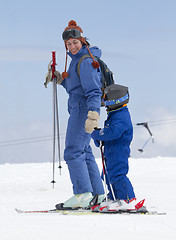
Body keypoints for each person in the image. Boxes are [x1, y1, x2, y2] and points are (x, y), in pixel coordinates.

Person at [45, 20, 104, 209]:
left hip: (83, 110)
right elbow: (76, 86)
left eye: (75, 42)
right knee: (84, 152)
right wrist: (60, 78)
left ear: (82, 40)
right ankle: (97, 195)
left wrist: (93, 114)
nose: (72, 46)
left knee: (72, 151)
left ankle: (82, 195)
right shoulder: (77, 61)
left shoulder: (86, 61)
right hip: (79, 107)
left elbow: (93, 91)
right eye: (68, 44)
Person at [91, 84, 145, 212]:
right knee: (108, 175)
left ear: (114, 100)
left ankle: (127, 199)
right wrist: (99, 137)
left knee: (118, 174)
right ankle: (115, 198)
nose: (104, 104)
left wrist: (98, 134)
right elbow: (109, 133)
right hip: (111, 150)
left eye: (106, 100)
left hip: (118, 151)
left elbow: (113, 133)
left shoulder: (121, 116)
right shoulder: (115, 114)